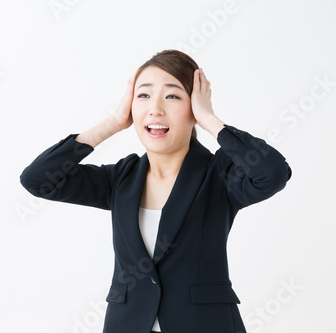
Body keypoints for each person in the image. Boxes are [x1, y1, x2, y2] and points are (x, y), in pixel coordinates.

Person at [19, 49, 292, 333]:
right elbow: (38, 180)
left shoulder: (220, 175)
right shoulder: (121, 179)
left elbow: (272, 174)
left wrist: (210, 119)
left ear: (194, 106)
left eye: (172, 96)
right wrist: (113, 122)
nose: (156, 109)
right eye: (144, 95)